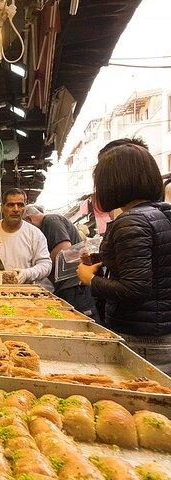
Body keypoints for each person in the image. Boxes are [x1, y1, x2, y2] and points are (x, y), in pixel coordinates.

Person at [77, 138, 171, 373]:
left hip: (144, 339)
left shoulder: (131, 221)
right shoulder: (162, 213)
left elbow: (135, 289)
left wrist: (90, 278)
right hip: (160, 332)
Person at [23, 205, 97, 319]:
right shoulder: (44, 228)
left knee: (83, 320)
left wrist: (42, 267)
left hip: (74, 284)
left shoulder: (51, 220)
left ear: (28, 219)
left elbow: (63, 247)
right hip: (64, 285)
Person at [0, 188, 51, 284]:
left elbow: (45, 265)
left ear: (25, 207)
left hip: (24, 293)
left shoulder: (35, 234)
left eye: (20, 205)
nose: (16, 209)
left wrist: (27, 274)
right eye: (10, 205)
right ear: (2, 208)